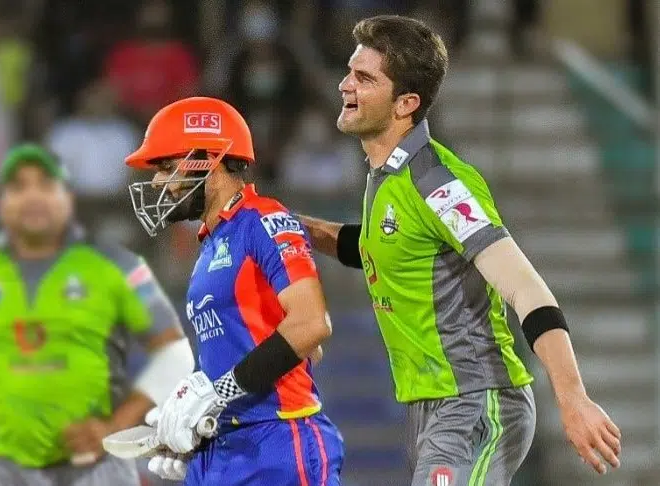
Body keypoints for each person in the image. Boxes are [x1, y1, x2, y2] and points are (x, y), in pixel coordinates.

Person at [296, 15, 622, 485]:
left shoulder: (438, 184)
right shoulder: (388, 177)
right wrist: (291, 227)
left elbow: (527, 290)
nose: (345, 84)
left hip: (476, 403)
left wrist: (573, 400)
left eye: (364, 78)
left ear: (406, 104)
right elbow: (378, 247)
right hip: (430, 408)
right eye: (350, 71)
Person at [0, 143, 195, 486]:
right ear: (1, 204)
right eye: (19, 186)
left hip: (100, 467)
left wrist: (115, 426)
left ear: (67, 199)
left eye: (46, 184)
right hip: (7, 469)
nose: (33, 196)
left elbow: (175, 352)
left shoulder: (117, 267)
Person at [123, 96, 344, 485]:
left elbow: (311, 327)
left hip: (277, 440)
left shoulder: (263, 219)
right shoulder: (211, 243)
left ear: (208, 160)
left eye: (167, 167)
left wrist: (218, 393)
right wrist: (193, 422)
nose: (157, 182)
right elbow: (275, 343)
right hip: (225, 445)